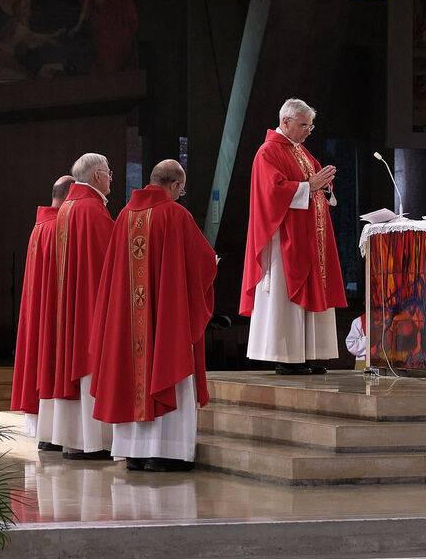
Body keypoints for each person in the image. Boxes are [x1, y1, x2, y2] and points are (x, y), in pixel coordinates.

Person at [89, 160, 217, 471]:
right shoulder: (176, 215)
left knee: (130, 372)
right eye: (181, 190)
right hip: (165, 321)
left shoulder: (124, 215)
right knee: (168, 364)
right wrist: (211, 264)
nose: (180, 195)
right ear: (174, 185)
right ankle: (167, 453)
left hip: (128, 323)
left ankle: (134, 453)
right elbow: (201, 263)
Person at [241, 99, 347, 375]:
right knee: (285, 294)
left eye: (311, 127)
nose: (308, 131)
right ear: (285, 121)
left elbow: (318, 185)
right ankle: (286, 357)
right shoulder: (268, 152)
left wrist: (323, 187)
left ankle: (308, 354)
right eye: (304, 125)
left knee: (313, 291)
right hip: (284, 238)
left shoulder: (301, 151)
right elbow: (271, 192)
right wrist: (308, 186)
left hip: (310, 238)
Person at [41, 153, 115, 459]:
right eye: (108, 173)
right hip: (90, 306)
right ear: (97, 176)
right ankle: (93, 441)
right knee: (91, 363)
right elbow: (111, 260)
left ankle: (73, 439)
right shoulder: (92, 210)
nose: (111, 179)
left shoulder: (68, 208)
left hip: (71, 305)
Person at [10, 175, 74, 451]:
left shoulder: (39, 226)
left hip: (40, 311)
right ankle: (54, 432)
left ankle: (45, 433)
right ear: (69, 196)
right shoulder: (58, 227)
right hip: (53, 313)